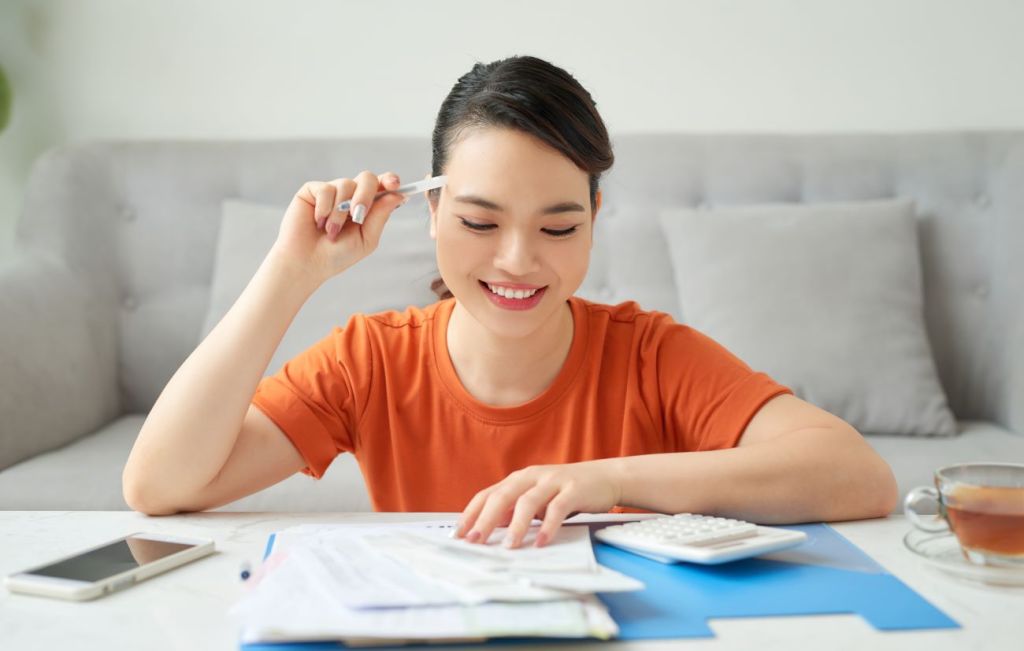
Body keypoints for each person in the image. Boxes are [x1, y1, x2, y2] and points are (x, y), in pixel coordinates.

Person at [123, 55, 898, 548]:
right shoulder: (373, 360)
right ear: (431, 214)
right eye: (479, 222)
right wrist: (292, 272)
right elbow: (160, 485)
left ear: (594, 219)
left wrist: (607, 480)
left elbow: (857, 474)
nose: (519, 260)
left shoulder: (650, 353)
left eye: (558, 225)